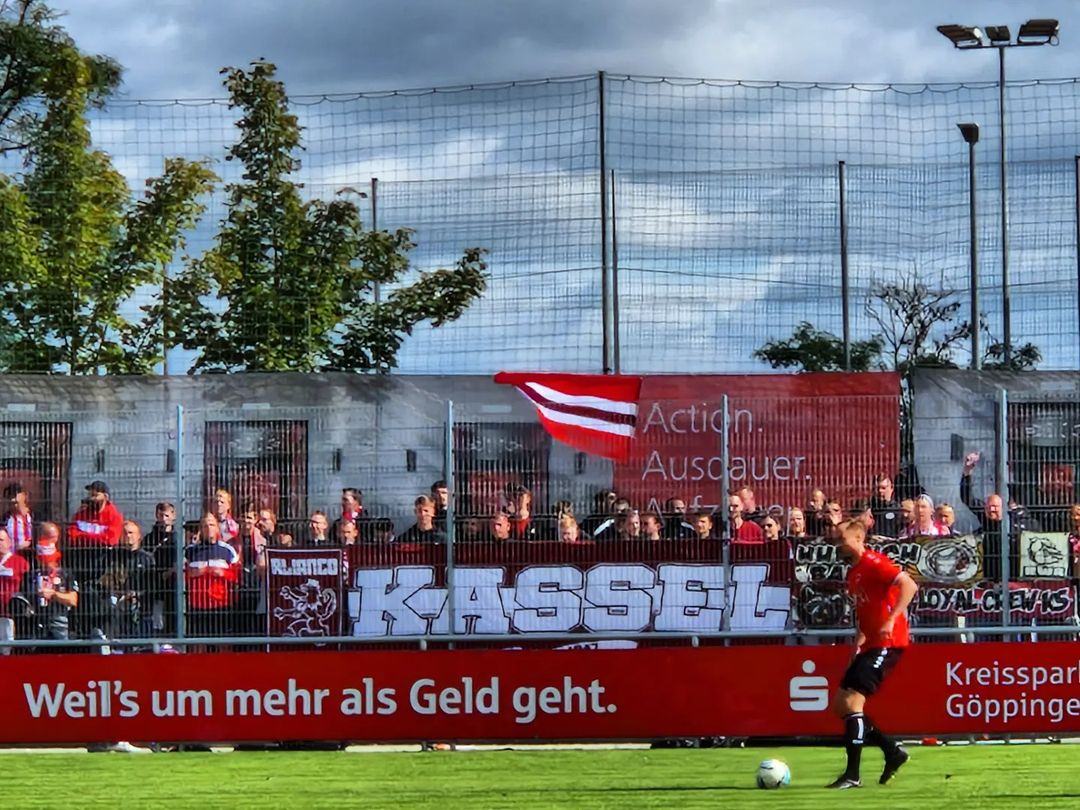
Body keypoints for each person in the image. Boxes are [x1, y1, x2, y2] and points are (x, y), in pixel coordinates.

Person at [827, 519, 917, 790]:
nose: (837, 543)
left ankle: (852, 775)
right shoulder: (853, 574)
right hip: (870, 644)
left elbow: (909, 586)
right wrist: (858, 643)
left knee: (853, 703)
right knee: (841, 706)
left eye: (841, 538)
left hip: (888, 643)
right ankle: (892, 751)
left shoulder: (875, 563)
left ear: (856, 538)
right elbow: (865, 613)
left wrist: (892, 619)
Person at [0, 528, 30, 652]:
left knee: (6, 651)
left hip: (9, 616)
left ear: (9, 543)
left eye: (1, 540)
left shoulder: (19, 562)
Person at [4, 483, 33, 551]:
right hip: (11, 557)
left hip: (31, 555)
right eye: (10, 496)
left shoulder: (35, 517)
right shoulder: (5, 519)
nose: (12, 499)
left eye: (15, 493)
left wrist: (29, 543)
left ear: (24, 495)